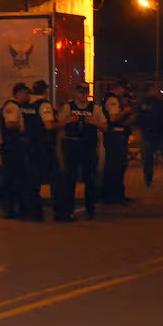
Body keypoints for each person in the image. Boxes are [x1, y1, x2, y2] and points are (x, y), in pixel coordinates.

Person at [54, 82, 102, 222]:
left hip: (88, 146)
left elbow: (104, 125)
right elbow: (57, 125)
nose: (82, 94)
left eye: (85, 92)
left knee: (90, 178)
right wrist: (68, 121)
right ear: (76, 93)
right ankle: (68, 209)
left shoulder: (95, 108)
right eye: (80, 91)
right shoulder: (68, 107)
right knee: (69, 178)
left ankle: (90, 208)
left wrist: (95, 123)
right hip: (72, 144)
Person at [0, 82, 42, 221]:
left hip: (15, 148)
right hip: (13, 148)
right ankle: (11, 210)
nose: (27, 96)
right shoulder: (12, 106)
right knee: (14, 180)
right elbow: (10, 124)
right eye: (25, 93)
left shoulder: (17, 106)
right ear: (18, 93)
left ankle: (15, 209)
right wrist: (22, 128)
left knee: (17, 180)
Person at [135, 82, 163, 185]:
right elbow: (140, 118)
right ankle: (150, 178)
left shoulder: (158, 102)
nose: (158, 92)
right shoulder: (146, 103)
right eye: (155, 90)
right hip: (152, 134)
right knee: (150, 157)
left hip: (158, 133)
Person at [100, 81, 135, 203]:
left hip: (118, 134)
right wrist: (125, 112)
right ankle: (112, 195)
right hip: (115, 136)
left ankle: (117, 194)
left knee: (119, 165)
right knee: (115, 166)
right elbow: (113, 118)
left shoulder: (112, 99)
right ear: (119, 88)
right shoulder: (112, 100)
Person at [30, 80, 60, 200]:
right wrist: (62, 123)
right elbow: (49, 125)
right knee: (54, 174)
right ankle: (57, 202)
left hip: (31, 145)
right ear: (45, 91)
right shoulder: (44, 105)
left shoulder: (28, 104)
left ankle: (32, 202)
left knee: (34, 175)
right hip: (44, 145)